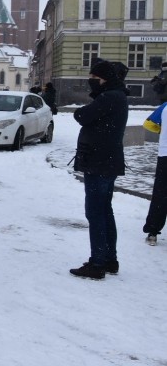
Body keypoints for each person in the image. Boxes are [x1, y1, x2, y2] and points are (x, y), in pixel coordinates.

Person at [69, 59, 129, 279]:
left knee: (96, 213)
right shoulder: (116, 96)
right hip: (106, 160)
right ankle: (109, 259)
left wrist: (86, 108)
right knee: (104, 211)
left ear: (105, 79)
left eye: (95, 78)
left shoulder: (109, 97)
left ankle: (98, 262)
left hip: (99, 162)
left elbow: (82, 116)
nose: (91, 82)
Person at [143, 102, 167, 246]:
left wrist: (161, 130)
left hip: (165, 155)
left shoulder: (165, 106)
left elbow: (148, 124)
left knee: (161, 194)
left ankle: (153, 232)